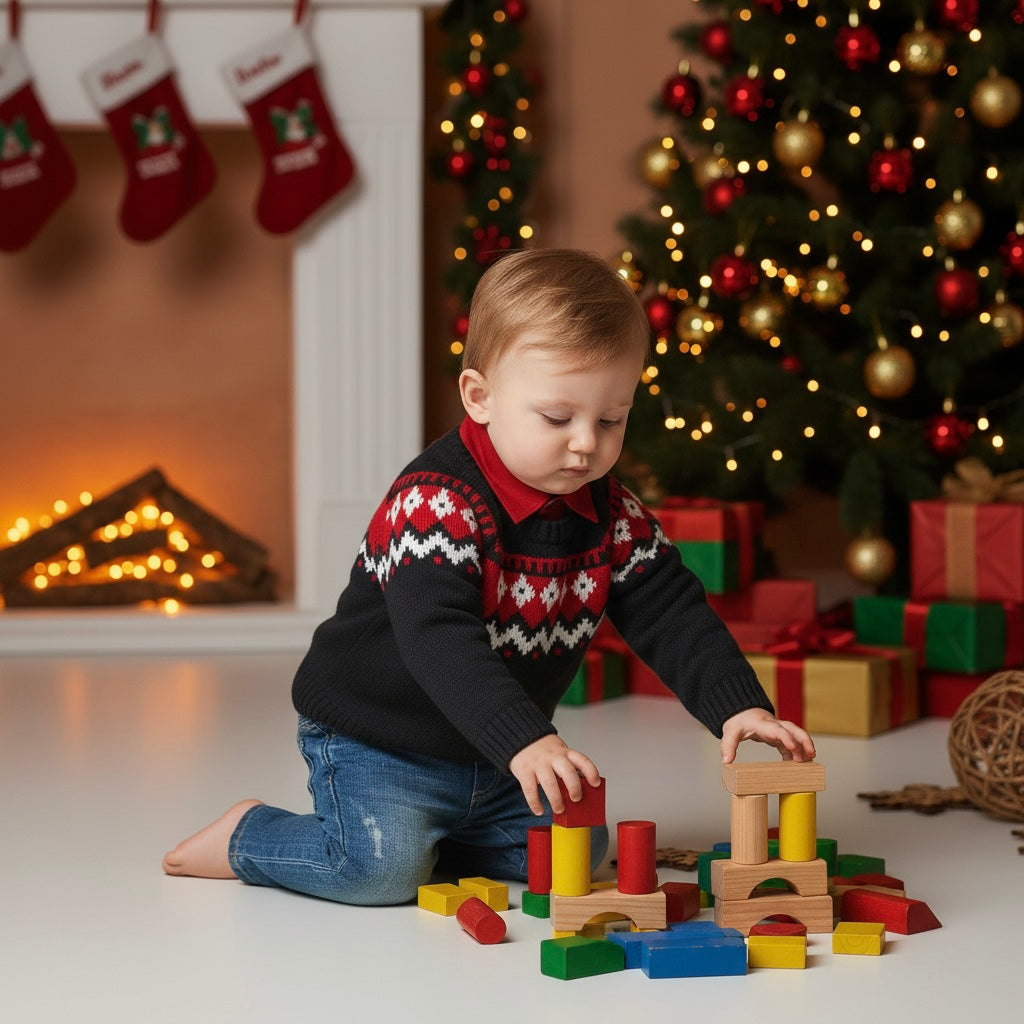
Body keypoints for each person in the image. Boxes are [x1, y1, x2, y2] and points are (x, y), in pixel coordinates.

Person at [162, 248, 815, 903]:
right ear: (481, 397)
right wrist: (528, 740)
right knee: (378, 872)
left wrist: (739, 704)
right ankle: (248, 836)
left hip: (494, 755)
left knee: (577, 857)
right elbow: (438, 637)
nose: (586, 443)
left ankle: (447, 832)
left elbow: (670, 610)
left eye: (610, 419)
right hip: (381, 740)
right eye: (558, 418)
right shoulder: (436, 503)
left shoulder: (610, 513)